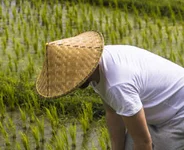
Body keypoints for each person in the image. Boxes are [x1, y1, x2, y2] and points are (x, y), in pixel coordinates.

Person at [36, 31, 184, 150]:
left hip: (178, 115)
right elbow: (112, 112)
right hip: (158, 109)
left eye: (70, 81)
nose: (72, 87)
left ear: (81, 73)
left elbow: (143, 143)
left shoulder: (117, 85)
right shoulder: (97, 67)